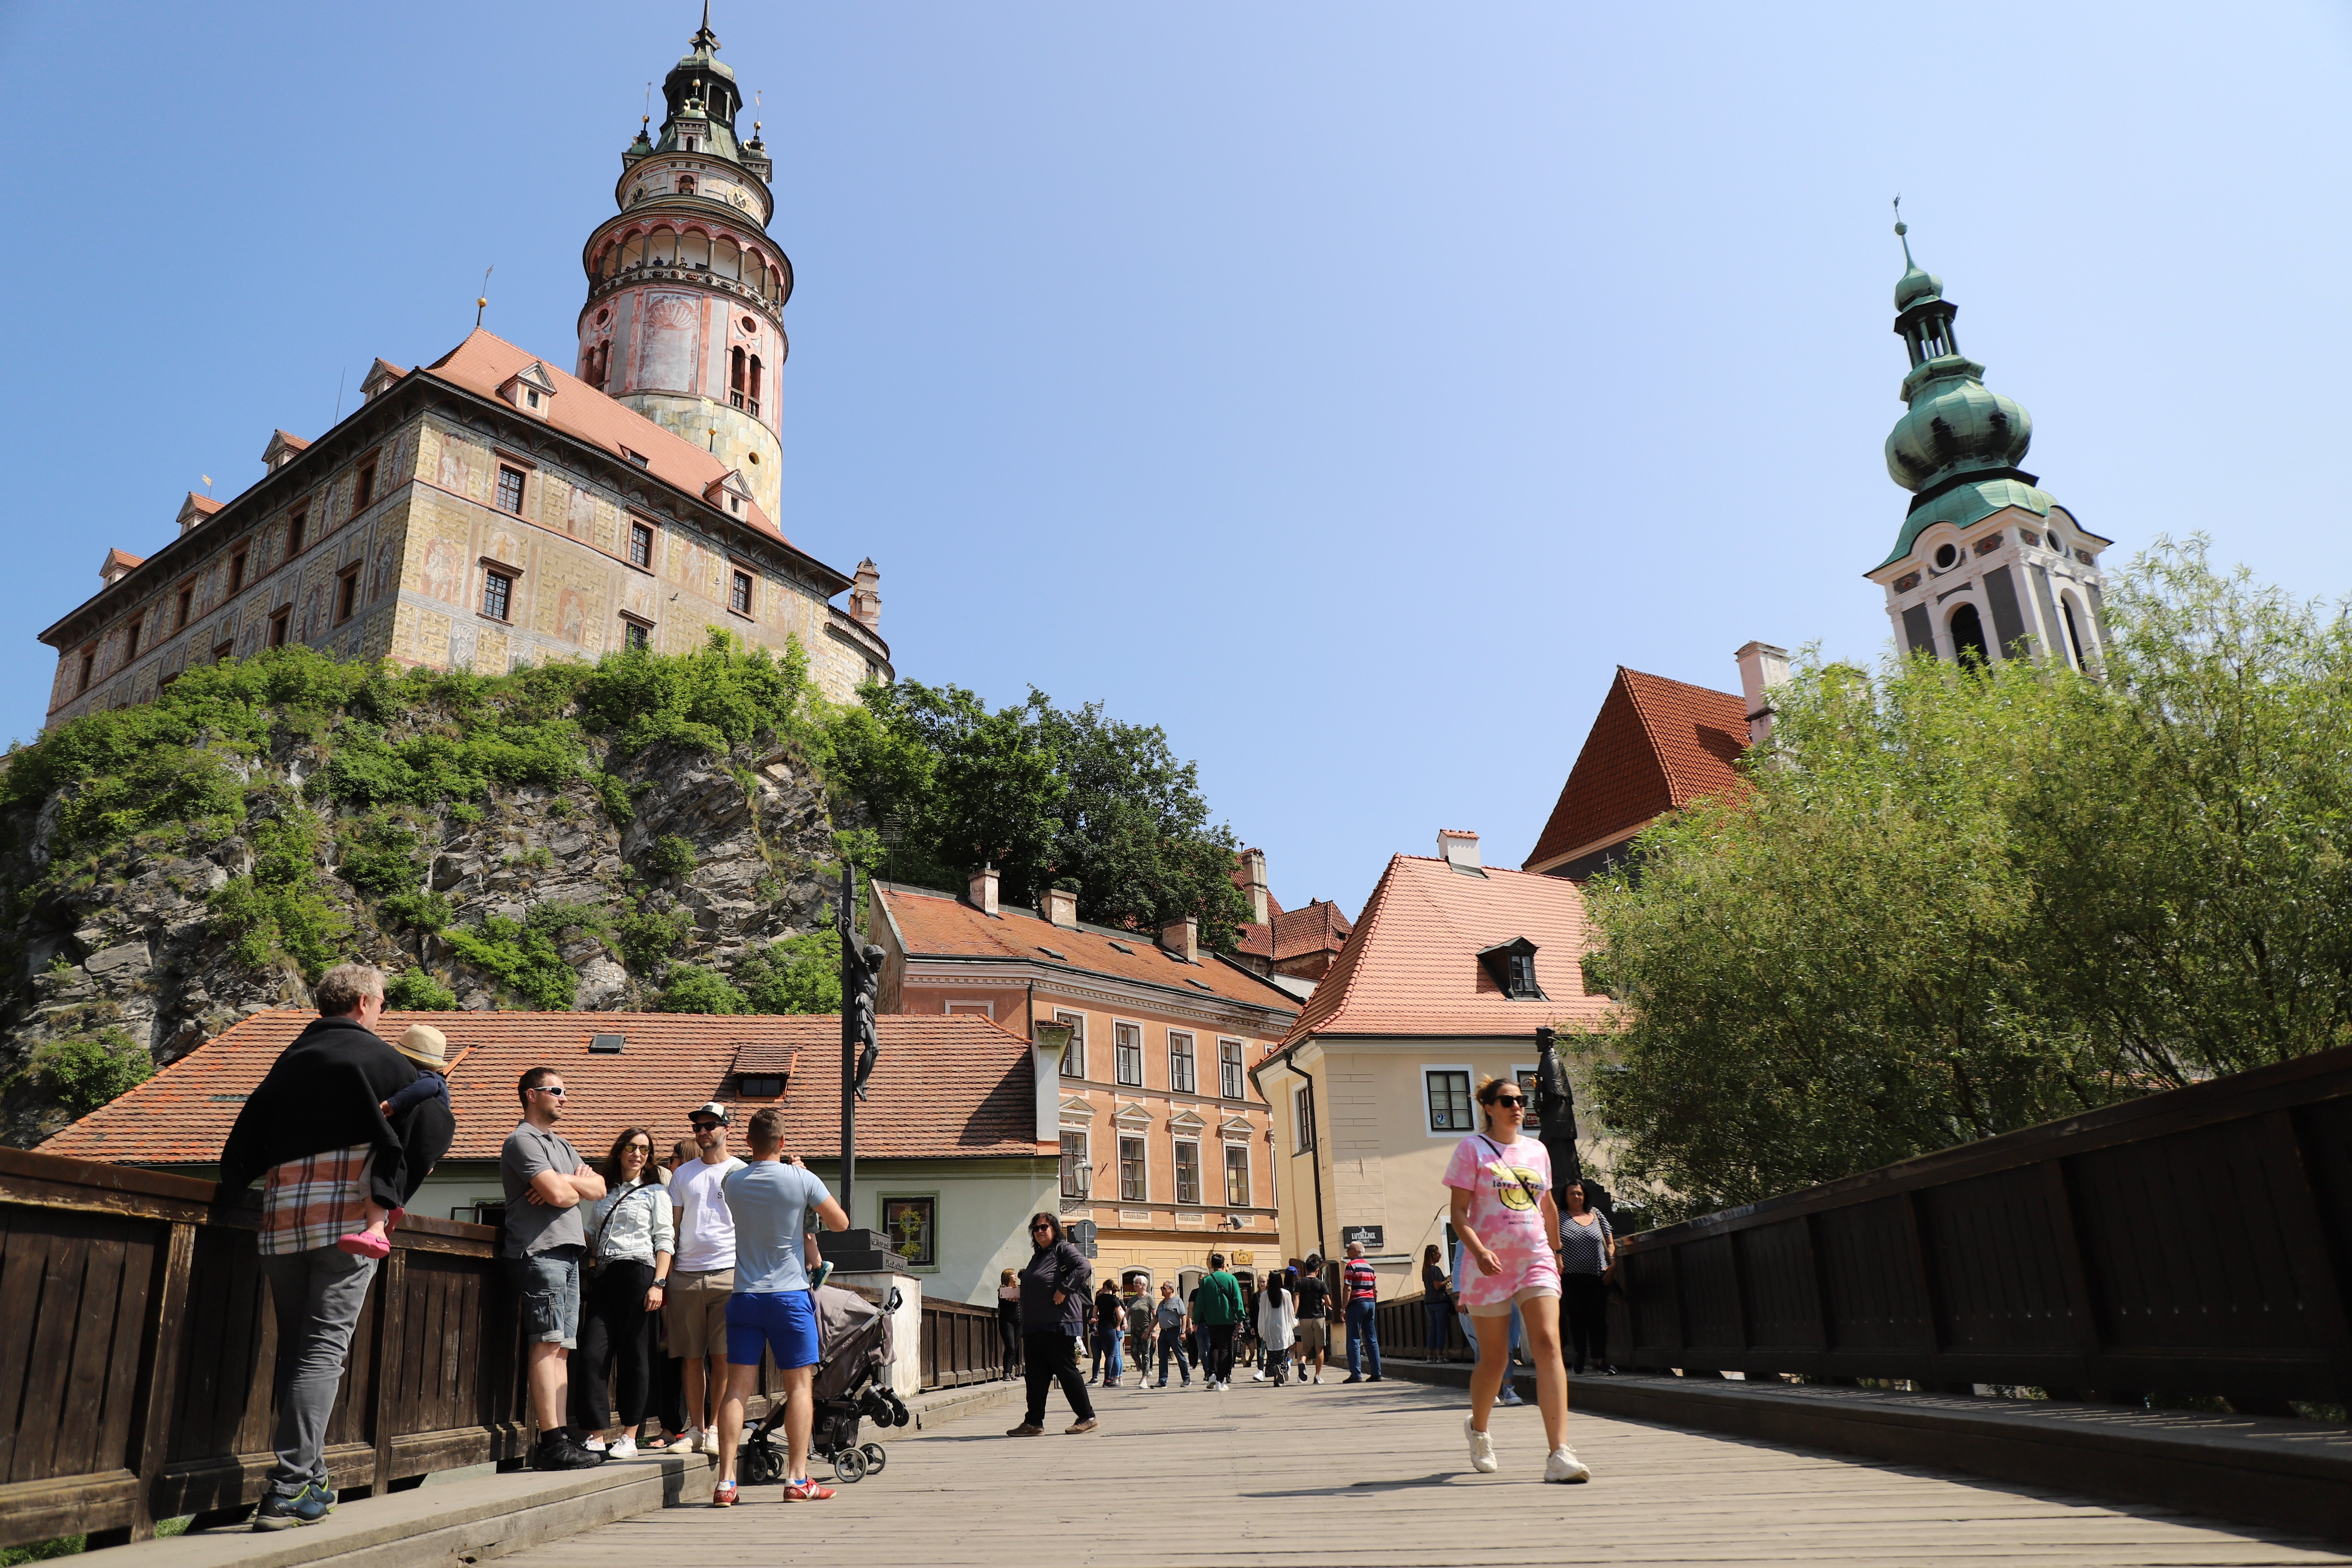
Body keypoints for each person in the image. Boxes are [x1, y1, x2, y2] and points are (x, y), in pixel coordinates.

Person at [219, 963, 453, 1529]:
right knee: (323, 1353)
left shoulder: (289, 1061)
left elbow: (245, 1137)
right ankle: (289, 1487)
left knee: (301, 1352)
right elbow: (435, 1121)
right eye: (383, 1004)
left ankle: (312, 1476)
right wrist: (394, 1191)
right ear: (366, 1003)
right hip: (350, 1223)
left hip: (280, 1222)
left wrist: (234, 1187)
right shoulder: (384, 1061)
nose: (383, 1012)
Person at [1445, 1075, 1588, 1483]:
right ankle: (1479, 1429)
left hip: (1535, 1259)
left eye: (1521, 1100)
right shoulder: (1471, 1149)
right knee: (1496, 1359)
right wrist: (1478, 1250)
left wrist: (1557, 1252)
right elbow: (1458, 1212)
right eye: (1507, 1100)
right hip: (1488, 1262)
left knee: (1547, 1342)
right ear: (1489, 1107)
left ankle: (1560, 1453)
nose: (1517, 1106)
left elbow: (1546, 1207)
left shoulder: (1538, 1150)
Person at [711, 1107, 850, 1506]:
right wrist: (804, 1179)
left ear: (748, 1142)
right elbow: (840, 1222)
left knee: (736, 1386)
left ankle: (726, 1483)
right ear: (783, 1143)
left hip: (745, 1295)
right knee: (799, 1386)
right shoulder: (800, 1178)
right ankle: (797, 1478)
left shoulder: (732, 1181)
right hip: (788, 1295)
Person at [500, 1066, 608, 1470]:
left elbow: (598, 1188)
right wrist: (569, 1183)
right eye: (556, 1090)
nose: (565, 1097)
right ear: (531, 1094)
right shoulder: (522, 1140)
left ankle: (561, 1437)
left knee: (563, 1347)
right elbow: (562, 1195)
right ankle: (550, 1441)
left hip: (568, 1252)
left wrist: (566, 1180)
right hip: (539, 1251)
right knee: (546, 1342)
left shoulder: (561, 1145)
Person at [575, 1127, 674, 1457]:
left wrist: (659, 1283)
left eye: (645, 1150)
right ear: (620, 1151)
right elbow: (590, 1233)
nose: (638, 1154)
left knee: (636, 1358)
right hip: (604, 1276)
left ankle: (630, 1436)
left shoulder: (656, 1192)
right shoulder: (604, 1191)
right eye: (632, 1147)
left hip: (640, 1273)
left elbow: (665, 1240)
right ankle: (596, 1434)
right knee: (592, 1354)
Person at [662, 1101, 744, 1456]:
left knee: (724, 1357)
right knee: (691, 1356)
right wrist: (663, 1276)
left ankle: (715, 1429)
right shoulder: (683, 1175)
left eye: (711, 1125)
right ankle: (696, 1429)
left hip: (729, 1271)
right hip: (686, 1273)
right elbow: (672, 1227)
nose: (703, 1131)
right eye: (698, 1127)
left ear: (727, 1129)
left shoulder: (742, 1171)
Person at [340, 1024, 451, 1258]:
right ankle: (396, 1209)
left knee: (378, 1171)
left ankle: (375, 1230)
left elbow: (425, 1087)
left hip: (425, 1130)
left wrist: (393, 1103)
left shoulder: (428, 1079)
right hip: (433, 1138)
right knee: (401, 1173)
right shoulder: (441, 1085)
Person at [1006, 1214, 1098, 1435]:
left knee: (1066, 1370)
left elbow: (1084, 1267)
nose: (1040, 1231)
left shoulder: (1062, 1249)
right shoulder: (1039, 1256)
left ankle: (1087, 1417)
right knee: (1036, 1376)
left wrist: (1064, 1290)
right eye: (1035, 1228)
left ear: (1054, 1229)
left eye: (1044, 1227)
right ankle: (1034, 1422)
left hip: (1058, 1323)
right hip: (1036, 1326)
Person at [1559, 1179, 1617, 1375]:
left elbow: (1610, 1243)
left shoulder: (1597, 1214)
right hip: (1570, 1277)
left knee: (1598, 1319)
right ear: (1565, 1197)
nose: (1577, 1197)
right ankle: (1580, 1355)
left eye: (1580, 1193)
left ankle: (1600, 1360)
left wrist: (1613, 1262)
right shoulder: (1559, 1217)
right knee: (1577, 1317)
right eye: (1572, 1193)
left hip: (1598, 1276)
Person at [1192, 1253, 1245, 1391]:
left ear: (1211, 1265)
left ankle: (1213, 1374)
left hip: (1212, 1320)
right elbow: (1238, 1300)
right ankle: (1221, 1381)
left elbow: (1200, 1303)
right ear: (1224, 1264)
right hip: (1227, 1319)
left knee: (1213, 1346)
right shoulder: (1231, 1279)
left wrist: (1196, 1320)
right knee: (1225, 1349)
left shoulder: (1206, 1281)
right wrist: (1241, 1318)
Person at [1341, 1240, 1384, 1383]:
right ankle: (1377, 1373)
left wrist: (1344, 1308)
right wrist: (1373, 1303)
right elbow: (1375, 1289)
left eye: (1349, 1250)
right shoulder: (1370, 1268)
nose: (1347, 1253)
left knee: (1354, 1338)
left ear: (1355, 1252)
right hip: (1370, 1303)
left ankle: (1356, 1374)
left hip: (1356, 1304)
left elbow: (1348, 1288)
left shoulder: (1351, 1266)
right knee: (1371, 1338)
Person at [1254, 1267, 1296, 1384]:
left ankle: (1276, 1374)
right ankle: (1281, 1372)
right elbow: (1290, 1312)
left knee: (1272, 1353)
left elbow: (1261, 1315)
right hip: (1284, 1327)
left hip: (1270, 1328)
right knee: (1284, 1352)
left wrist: (1261, 1331)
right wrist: (1294, 1323)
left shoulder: (1264, 1296)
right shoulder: (1286, 1294)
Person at [1293, 1255, 1330, 1384]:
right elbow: (1328, 1301)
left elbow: (1297, 1299)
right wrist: (1325, 1303)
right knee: (1320, 1348)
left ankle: (1302, 1362)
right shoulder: (1321, 1283)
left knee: (1306, 1347)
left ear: (1306, 1268)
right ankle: (1317, 1376)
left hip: (1305, 1319)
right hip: (1318, 1317)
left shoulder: (1300, 1283)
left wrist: (1295, 1314)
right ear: (1317, 1270)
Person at [1152, 1281, 1191, 1388]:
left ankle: (1187, 1379)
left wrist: (1183, 1332)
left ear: (1171, 1290)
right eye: (1162, 1288)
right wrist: (1149, 1330)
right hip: (1163, 1333)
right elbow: (1156, 1318)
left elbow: (1184, 1317)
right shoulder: (1161, 1304)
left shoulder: (1177, 1301)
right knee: (1163, 1357)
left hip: (1174, 1332)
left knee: (1179, 1356)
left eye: (1164, 1288)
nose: (1162, 1290)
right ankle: (1162, 1381)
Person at [1420, 1243, 1454, 1360]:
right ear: (1434, 1255)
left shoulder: (1425, 1269)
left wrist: (1445, 1279)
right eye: (1439, 1254)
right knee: (1441, 1329)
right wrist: (1450, 1279)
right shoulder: (1434, 1269)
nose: (1440, 1256)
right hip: (1439, 1302)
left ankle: (1430, 1355)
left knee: (1433, 1328)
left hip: (1429, 1302)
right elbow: (1438, 1286)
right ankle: (1440, 1355)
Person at [1092, 1281, 1125, 1387]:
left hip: (1101, 1328)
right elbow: (1120, 1316)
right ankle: (1108, 1380)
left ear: (1104, 1286)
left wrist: (1099, 1319)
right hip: (1111, 1328)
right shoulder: (1114, 1299)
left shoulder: (1099, 1299)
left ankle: (1107, 1379)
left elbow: (1094, 1314)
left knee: (1106, 1353)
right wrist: (1117, 1325)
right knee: (1111, 1355)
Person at [996, 1268, 1024, 1379]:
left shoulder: (1020, 1289)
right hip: (1007, 1322)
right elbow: (1005, 1301)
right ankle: (1006, 1372)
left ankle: (1011, 1372)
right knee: (1010, 1347)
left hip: (1019, 1321)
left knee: (1015, 1347)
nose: (1015, 1276)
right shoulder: (1003, 1290)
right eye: (1012, 1274)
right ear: (1007, 1277)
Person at [1126, 1284, 1155, 1386]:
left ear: (1143, 1285)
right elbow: (1127, 1313)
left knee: (1145, 1353)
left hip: (1146, 1329)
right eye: (1134, 1283)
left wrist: (1154, 1331)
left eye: (1137, 1283)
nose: (1135, 1285)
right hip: (1134, 1329)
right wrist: (1125, 1323)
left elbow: (1155, 1316)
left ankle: (1144, 1379)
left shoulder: (1149, 1298)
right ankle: (1145, 1370)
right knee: (1134, 1353)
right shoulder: (1133, 1299)